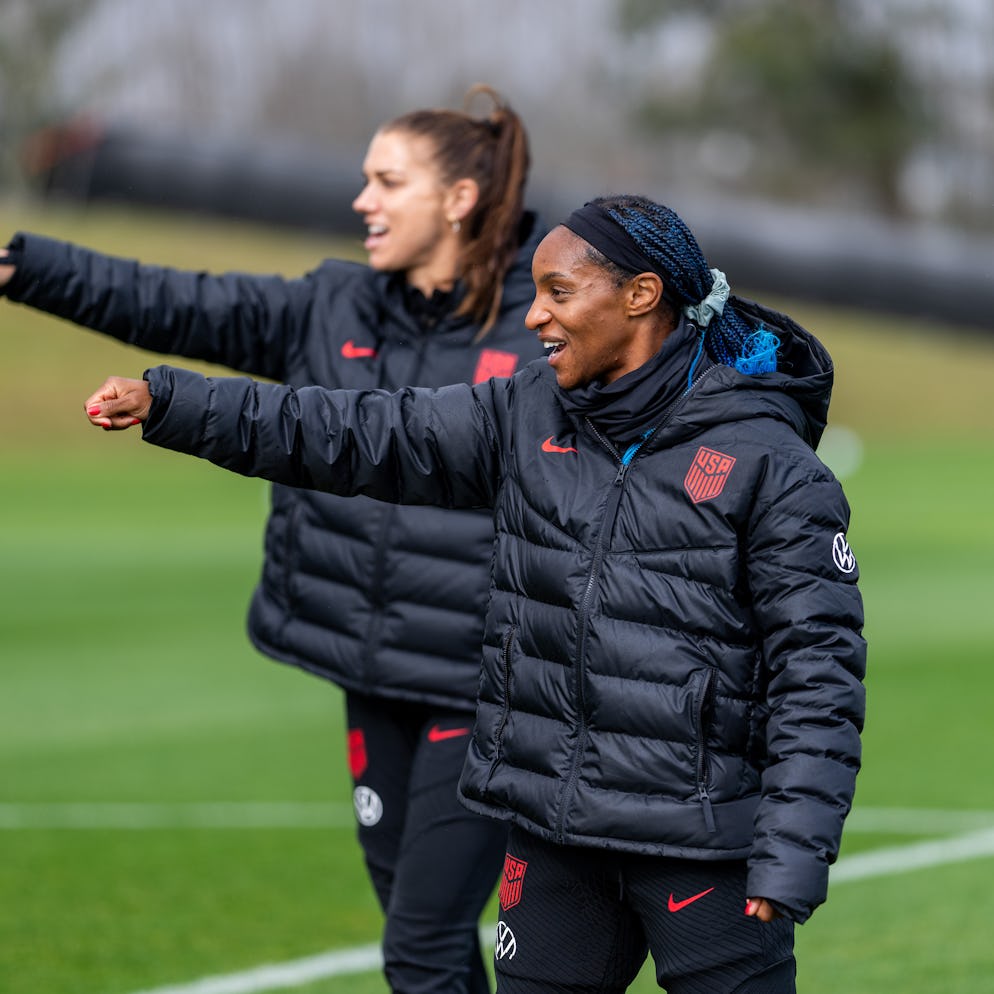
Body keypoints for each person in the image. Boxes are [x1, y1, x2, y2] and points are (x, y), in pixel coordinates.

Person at [82, 193, 866, 994]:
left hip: (703, 847)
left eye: (560, 292)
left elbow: (820, 674)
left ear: (640, 295)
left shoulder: (768, 463)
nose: (535, 316)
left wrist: (793, 850)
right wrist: (174, 403)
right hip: (552, 834)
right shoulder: (524, 410)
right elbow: (358, 432)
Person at [0, 85, 545, 994]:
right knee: (431, 949)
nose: (362, 201)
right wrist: (20, 266)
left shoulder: (546, 320)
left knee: (418, 948)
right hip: (370, 669)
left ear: (459, 200)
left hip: (488, 685)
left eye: (387, 181)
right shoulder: (331, 306)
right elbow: (170, 302)